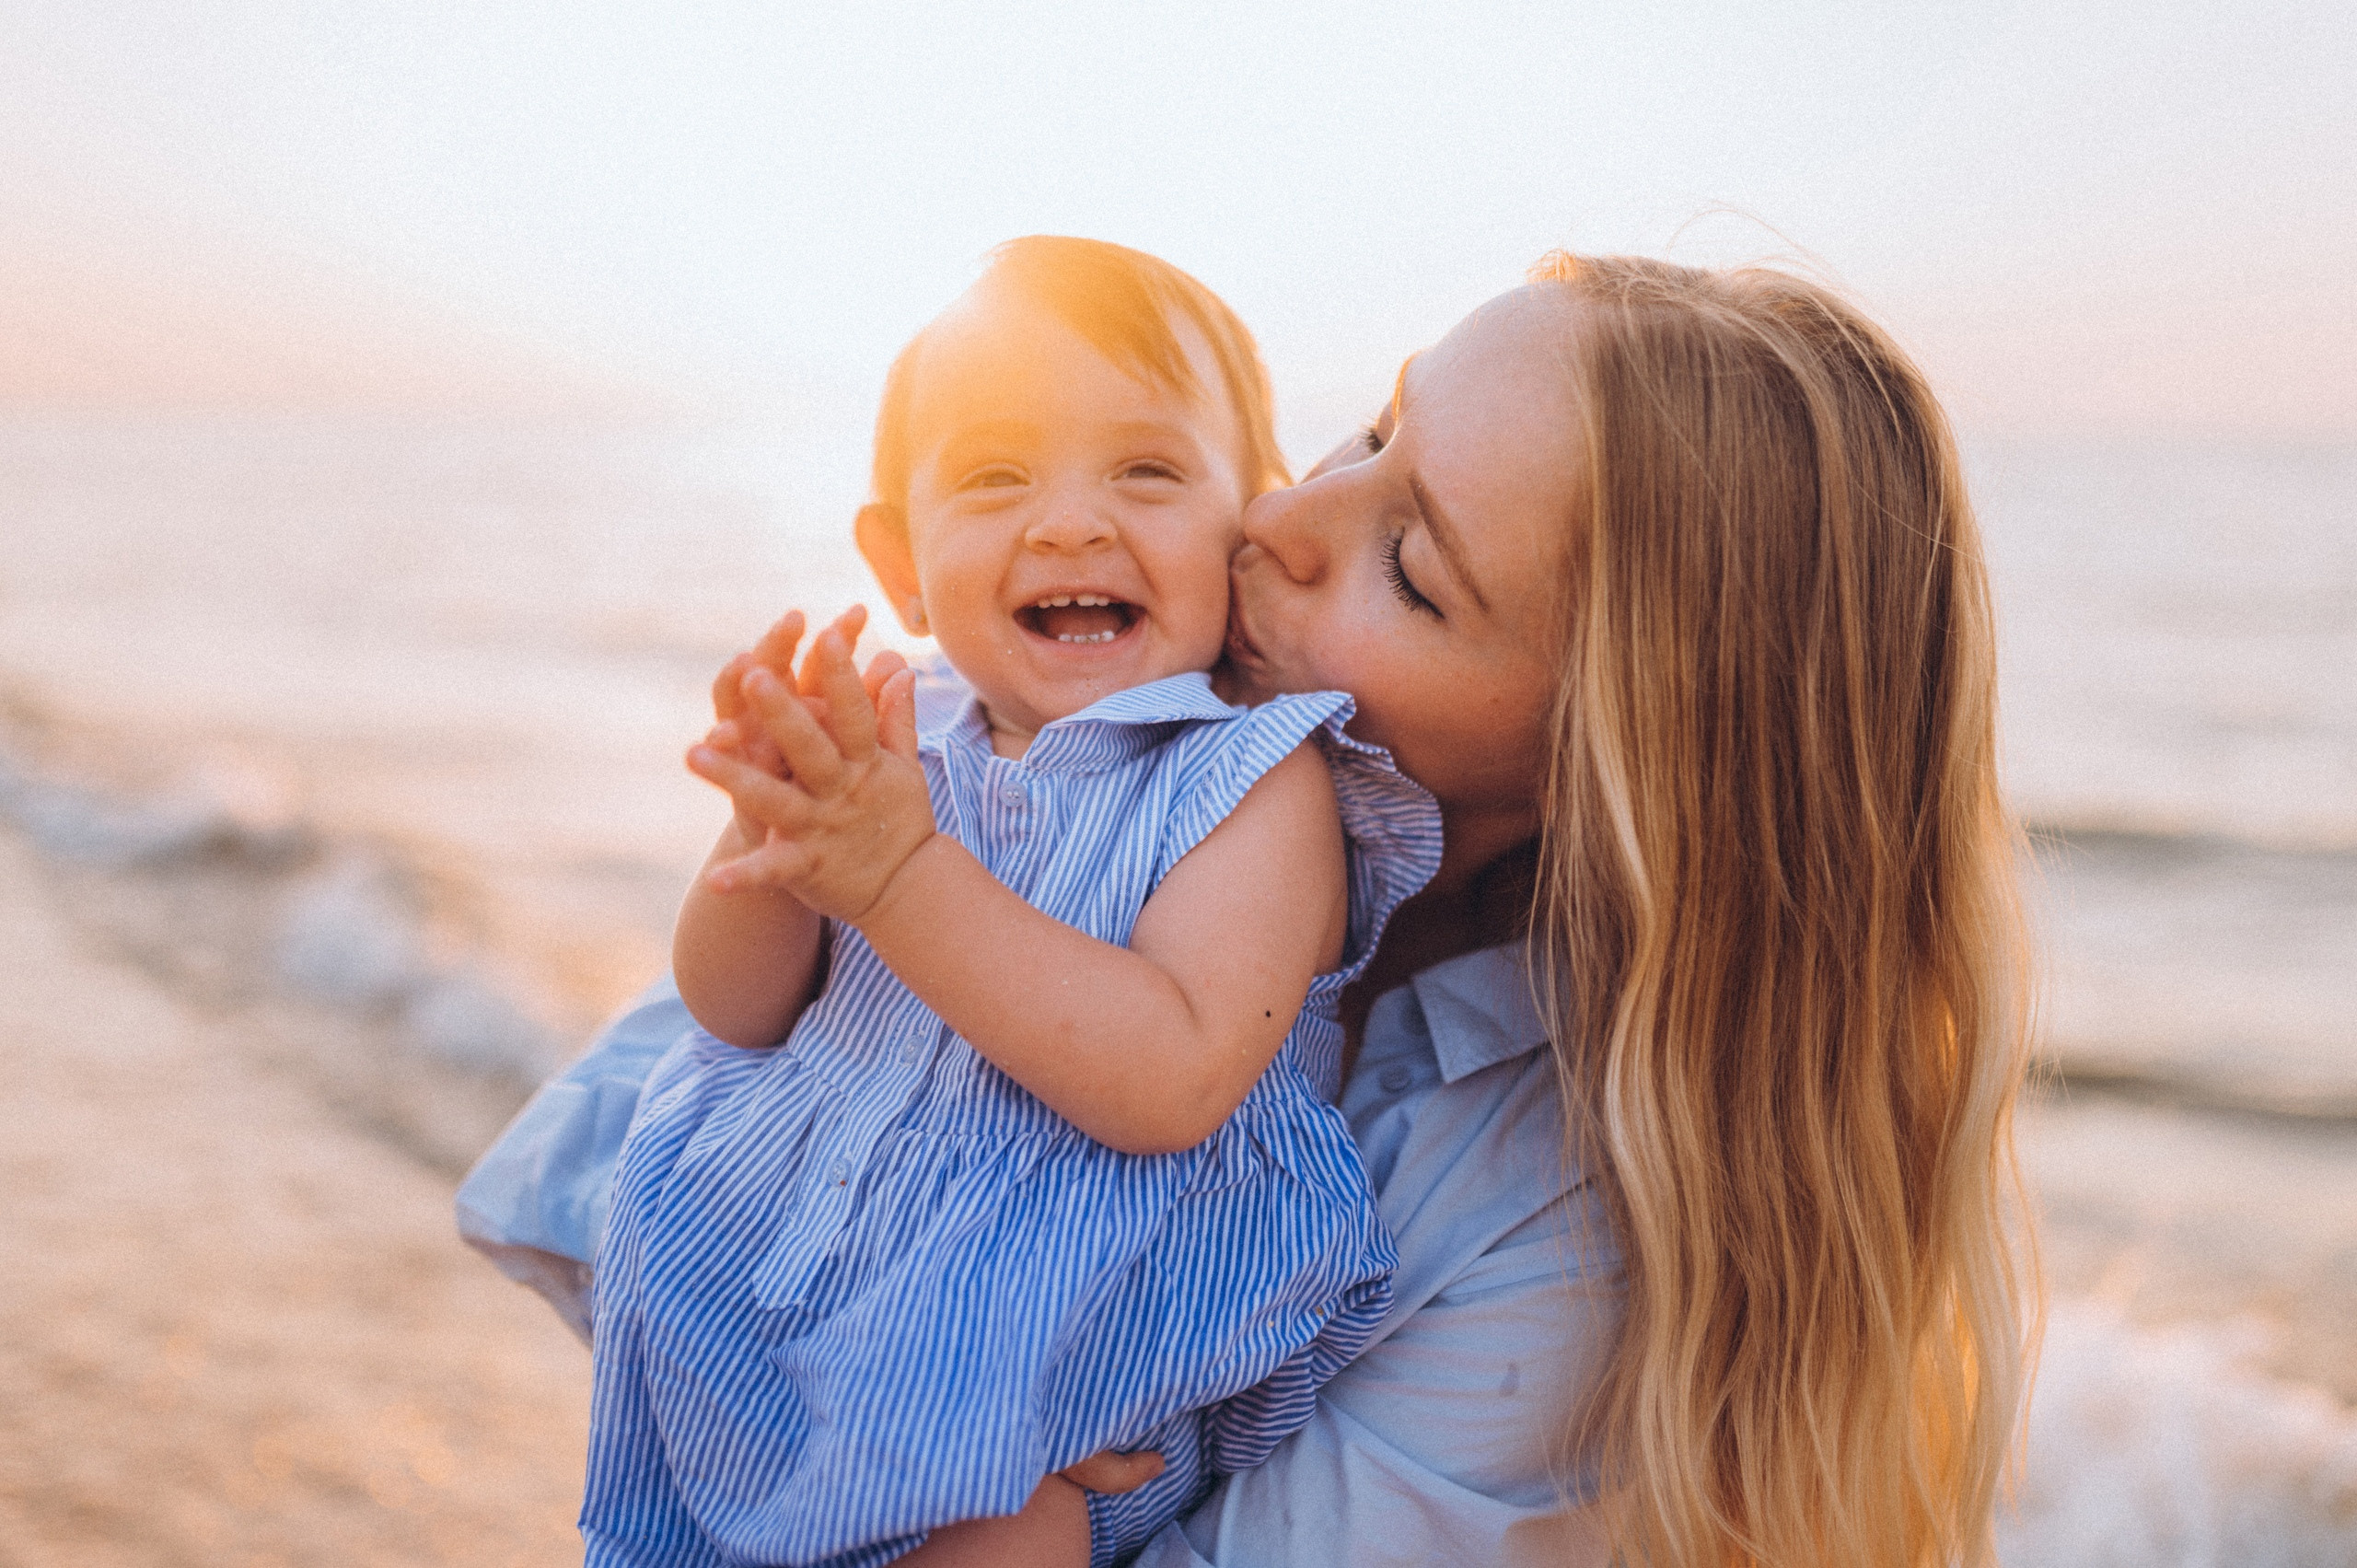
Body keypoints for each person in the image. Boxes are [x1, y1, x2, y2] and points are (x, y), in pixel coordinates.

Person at [462, 250, 2033, 1568]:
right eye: (1367, 432)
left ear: (1626, 769)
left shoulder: (1557, 1242)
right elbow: (706, 1070)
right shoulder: (1043, 753)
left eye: (1410, 568)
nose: (1281, 517)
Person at [575, 236, 1446, 1568]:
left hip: (1063, 1365)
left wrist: (899, 876)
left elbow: (1170, 1073)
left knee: (1013, 1540)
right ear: (902, 563)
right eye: (994, 478)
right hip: (797, 1310)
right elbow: (733, 1010)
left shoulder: (1251, 779)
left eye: (1148, 471)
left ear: (1248, 527)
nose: (1070, 523)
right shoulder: (888, 739)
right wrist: (775, 844)